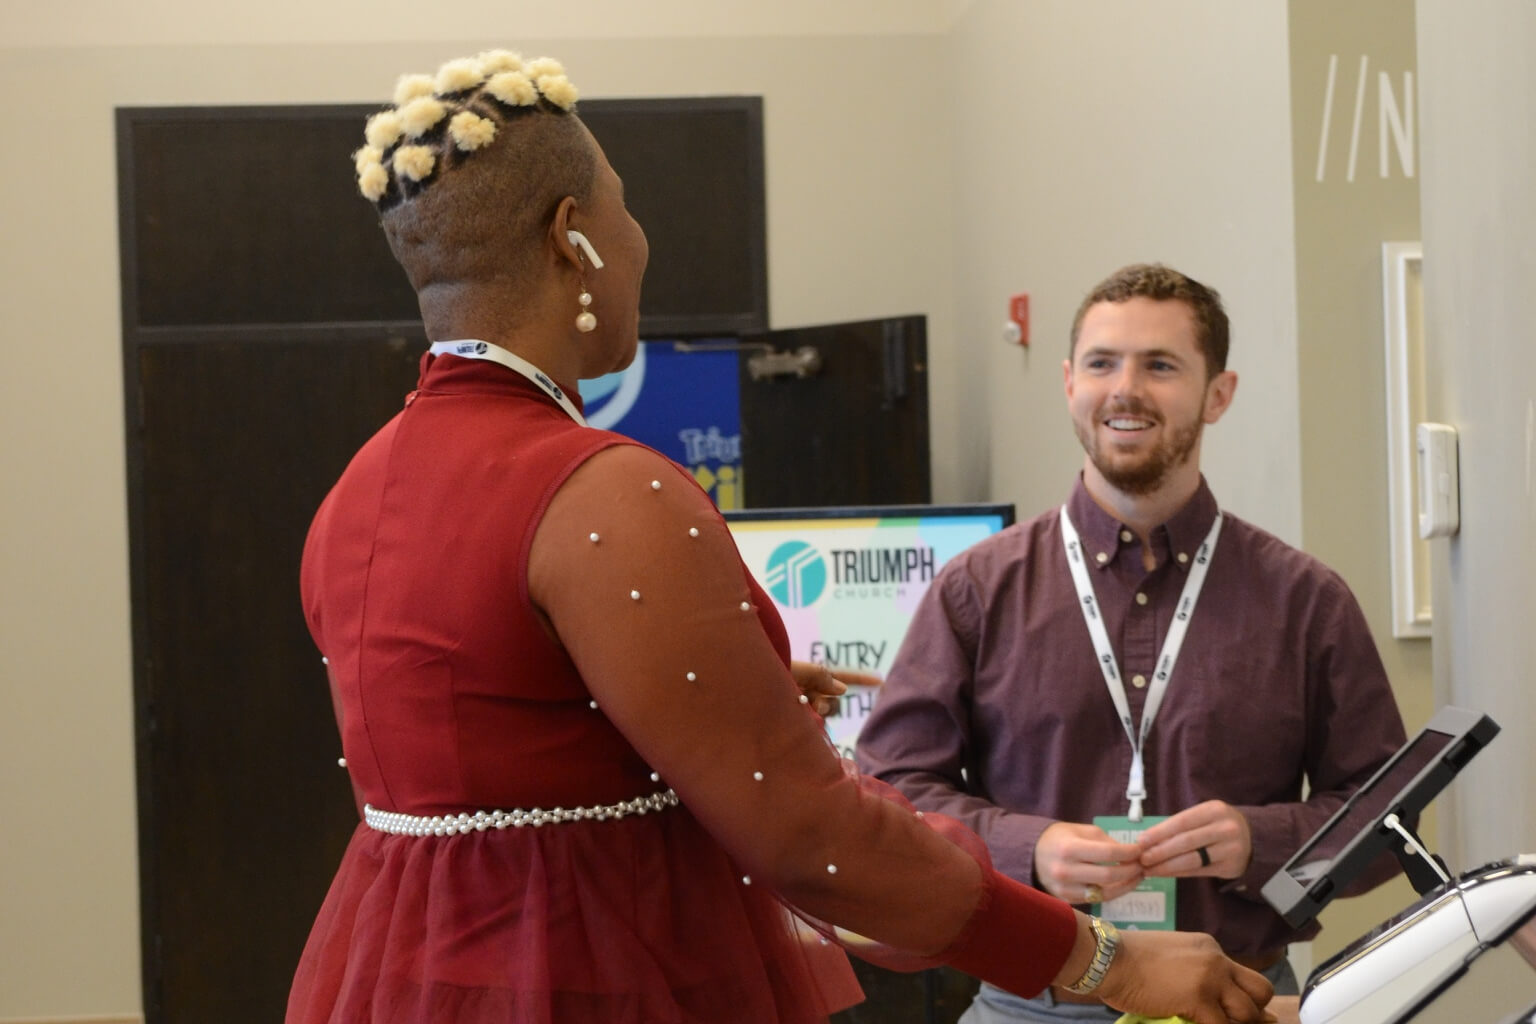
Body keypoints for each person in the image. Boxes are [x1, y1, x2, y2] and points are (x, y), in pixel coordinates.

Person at [286, 53, 1277, 1024]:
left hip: (403, 972)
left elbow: (503, 736)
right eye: (626, 207)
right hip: (596, 973)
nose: (641, 237)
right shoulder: (605, 495)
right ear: (572, 235)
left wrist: (739, 691)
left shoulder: (350, 496)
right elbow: (810, 836)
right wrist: (1100, 960)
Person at [856, 263, 1408, 1023]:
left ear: (1219, 393)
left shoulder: (1306, 601)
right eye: (1102, 363)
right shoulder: (975, 592)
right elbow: (887, 800)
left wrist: (1260, 838)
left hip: (1242, 1001)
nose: (1126, 389)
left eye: (1161, 366)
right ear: (1068, 382)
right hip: (1032, 999)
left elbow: (1391, 818)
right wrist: (1028, 849)